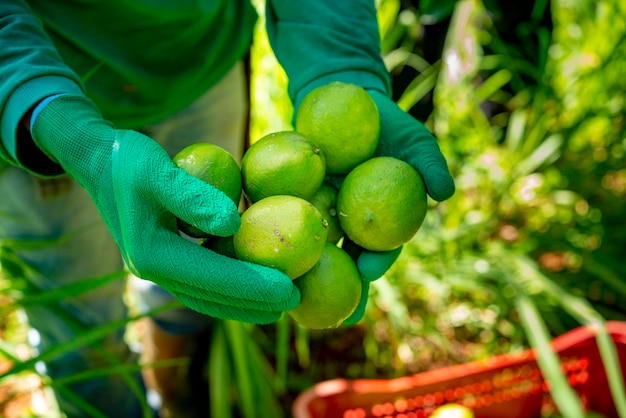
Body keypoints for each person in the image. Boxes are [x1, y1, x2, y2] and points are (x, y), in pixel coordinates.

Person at [0, 1, 455, 417]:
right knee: (80, 325)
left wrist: (336, 56)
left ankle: (173, 391)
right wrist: (50, 117)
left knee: (204, 262)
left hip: (204, 64)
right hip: (44, 93)